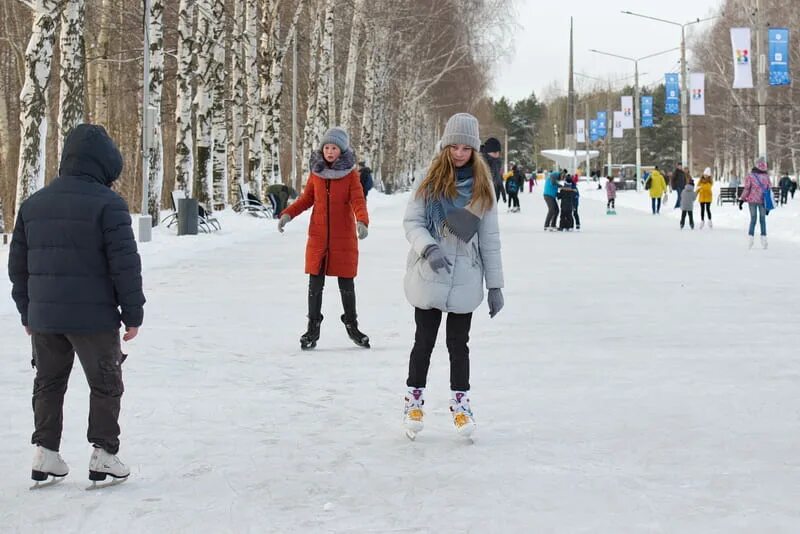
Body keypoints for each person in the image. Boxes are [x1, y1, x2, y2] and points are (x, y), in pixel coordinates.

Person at [8, 124, 144, 486]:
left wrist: (27, 311)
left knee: (48, 383)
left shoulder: (33, 204)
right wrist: (133, 315)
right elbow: (125, 266)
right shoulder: (109, 205)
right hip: (94, 318)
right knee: (105, 383)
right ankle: (104, 453)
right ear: (104, 164)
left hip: (46, 318)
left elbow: (17, 266)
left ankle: (45, 453)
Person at [401, 113, 504, 439]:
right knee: (424, 343)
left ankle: (460, 405)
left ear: (474, 151)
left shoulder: (482, 189)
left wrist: (496, 285)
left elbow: (490, 239)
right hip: (430, 273)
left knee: (459, 345)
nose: (459, 153)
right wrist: (429, 248)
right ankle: (413, 401)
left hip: (465, 278)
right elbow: (413, 222)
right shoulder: (428, 182)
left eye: (466, 148)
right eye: (454, 147)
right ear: (445, 146)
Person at [278, 127, 370, 349]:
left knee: (346, 283)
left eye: (334, 148)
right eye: (327, 147)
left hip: (343, 238)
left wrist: (362, 221)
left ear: (341, 151)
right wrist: (288, 214)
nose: (330, 151)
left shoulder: (350, 175)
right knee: (315, 283)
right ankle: (312, 329)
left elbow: (358, 200)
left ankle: (352, 325)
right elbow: (306, 198)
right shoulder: (316, 173)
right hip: (318, 237)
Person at [739, 157, 771, 249]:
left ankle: (751, 238)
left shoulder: (750, 176)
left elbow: (747, 189)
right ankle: (764, 239)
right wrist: (768, 206)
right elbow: (769, 189)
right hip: (762, 201)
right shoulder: (766, 176)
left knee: (753, 219)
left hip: (752, 200)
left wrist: (742, 199)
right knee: (762, 220)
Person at [482, 137, 505, 204]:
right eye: (495, 152)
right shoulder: (480, 161)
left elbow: (497, 177)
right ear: (488, 151)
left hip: (493, 196)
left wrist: (501, 186)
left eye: (498, 152)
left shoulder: (497, 162)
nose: (497, 154)